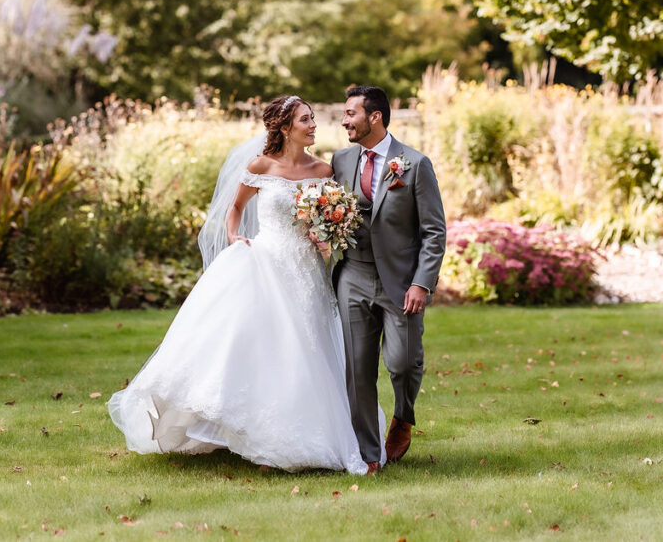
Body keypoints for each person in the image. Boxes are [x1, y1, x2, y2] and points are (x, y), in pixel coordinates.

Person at [108, 95, 382, 475]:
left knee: (309, 347)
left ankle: (302, 432)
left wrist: (328, 234)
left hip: (306, 271)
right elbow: (233, 209)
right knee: (265, 348)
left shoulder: (324, 169)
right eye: (306, 119)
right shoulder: (260, 165)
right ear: (286, 128)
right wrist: (235, 237)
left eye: (313, 118)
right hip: (265, 263)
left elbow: (329, 214)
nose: (314, 124)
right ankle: (256, 436)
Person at [332, 85, 447, 474]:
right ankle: (369, 455)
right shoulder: (340, 161)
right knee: (358, 369)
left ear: (374, 116)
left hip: (401, 283)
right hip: (353, 275)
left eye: (351, 113)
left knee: (403, 362)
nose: (344, 120)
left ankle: (403, 415)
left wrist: (422, 283)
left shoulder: (414, 164)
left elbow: (434, 231)